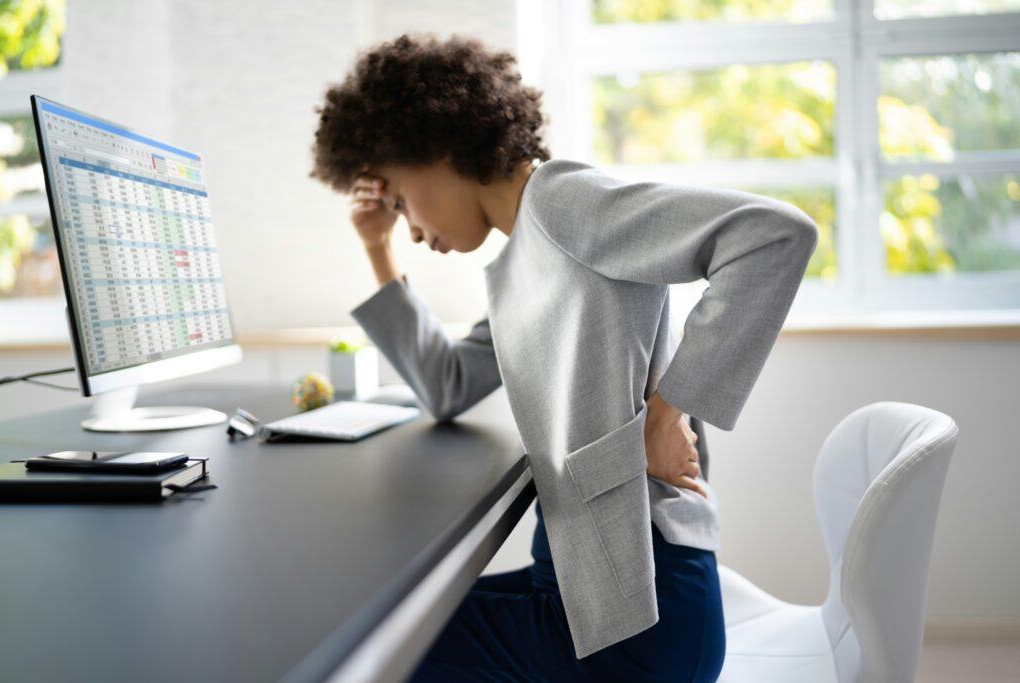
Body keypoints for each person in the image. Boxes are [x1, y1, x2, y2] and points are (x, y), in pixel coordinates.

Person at [311, 34, 818, 682]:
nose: (409, 227)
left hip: (642, 621)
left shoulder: (566, 205)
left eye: (402, 201)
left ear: (436, 150)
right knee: (387, 627)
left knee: (376, 657)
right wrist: (376, 248)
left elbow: (775, 235)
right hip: (589, 592)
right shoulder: (527, 259)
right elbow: (447, 384)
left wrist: (668, 413)